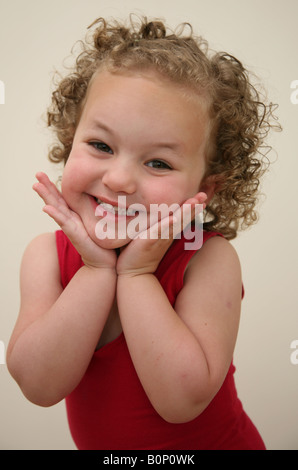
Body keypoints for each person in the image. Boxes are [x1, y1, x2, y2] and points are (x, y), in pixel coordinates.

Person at [7, 16, 279, 450]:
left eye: (158, 163)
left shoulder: (205, 259)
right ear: (70, 136)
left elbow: (182, 400)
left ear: (204, 189)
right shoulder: (45, 257)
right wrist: (97, 270)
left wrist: (136, 276)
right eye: (100, 145)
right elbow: (38, 386)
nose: (118, 180)